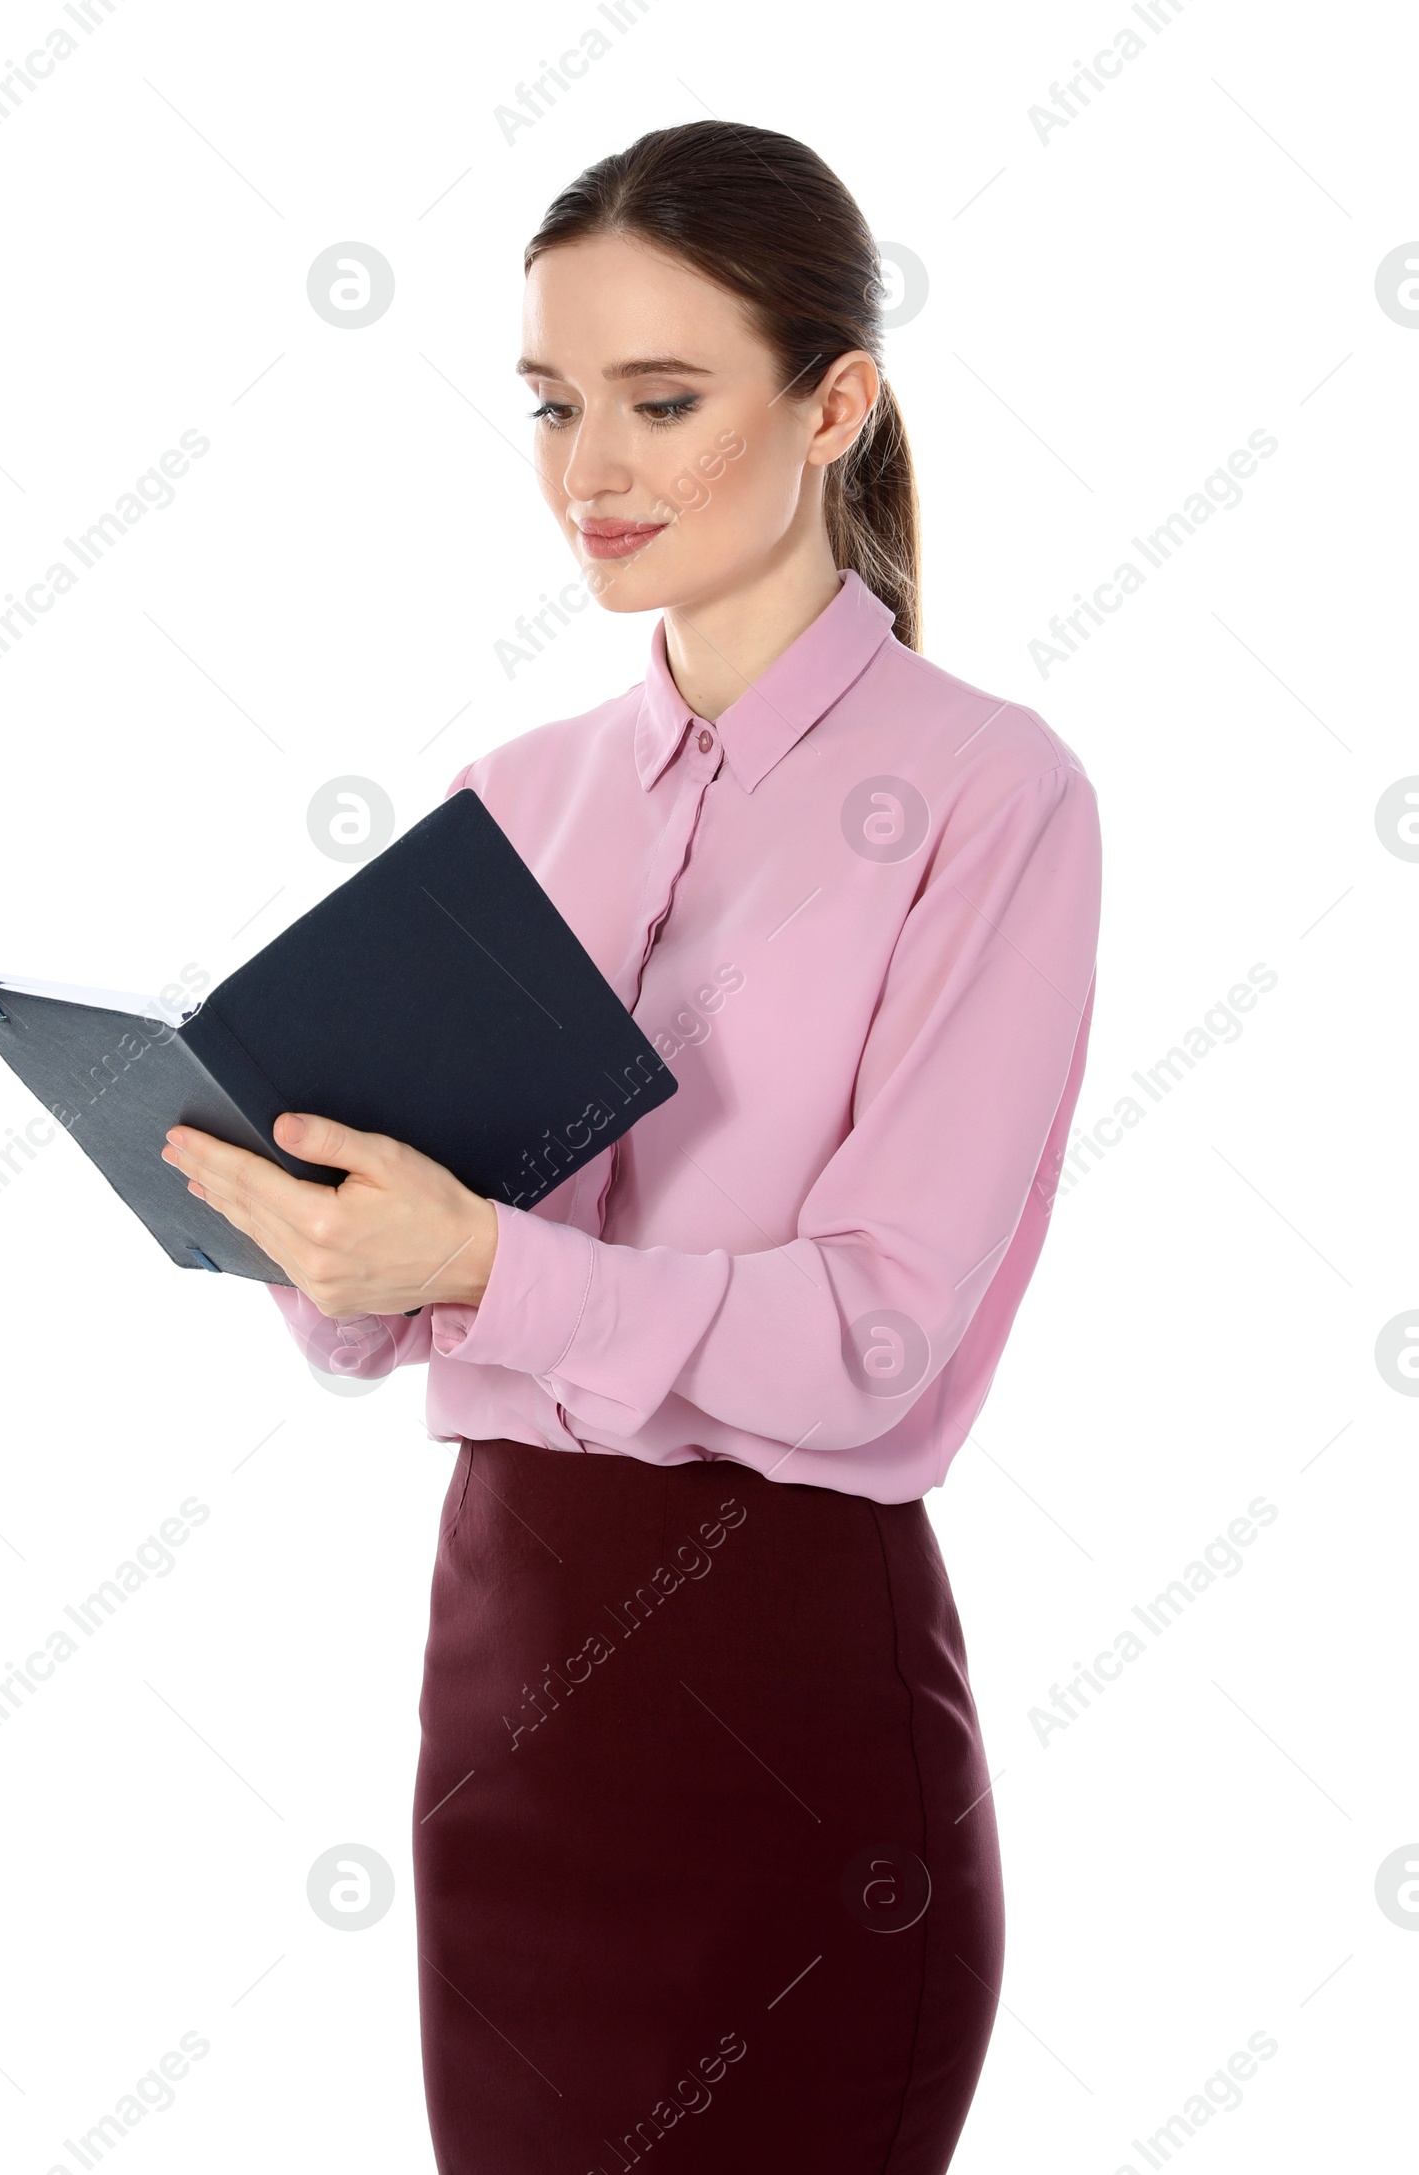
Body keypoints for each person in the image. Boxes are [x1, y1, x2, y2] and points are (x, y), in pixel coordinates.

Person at [163, 119, 1102, 2175]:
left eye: (660, 401)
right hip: (503, 1688)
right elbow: (399, 1327)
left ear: (832, 400)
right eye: (551, 403)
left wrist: (481, 1266)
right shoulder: (520, 789)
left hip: (781, 1701)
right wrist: (320, 1245)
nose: (587, 467)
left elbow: (877, 1338)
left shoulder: (985, 796)